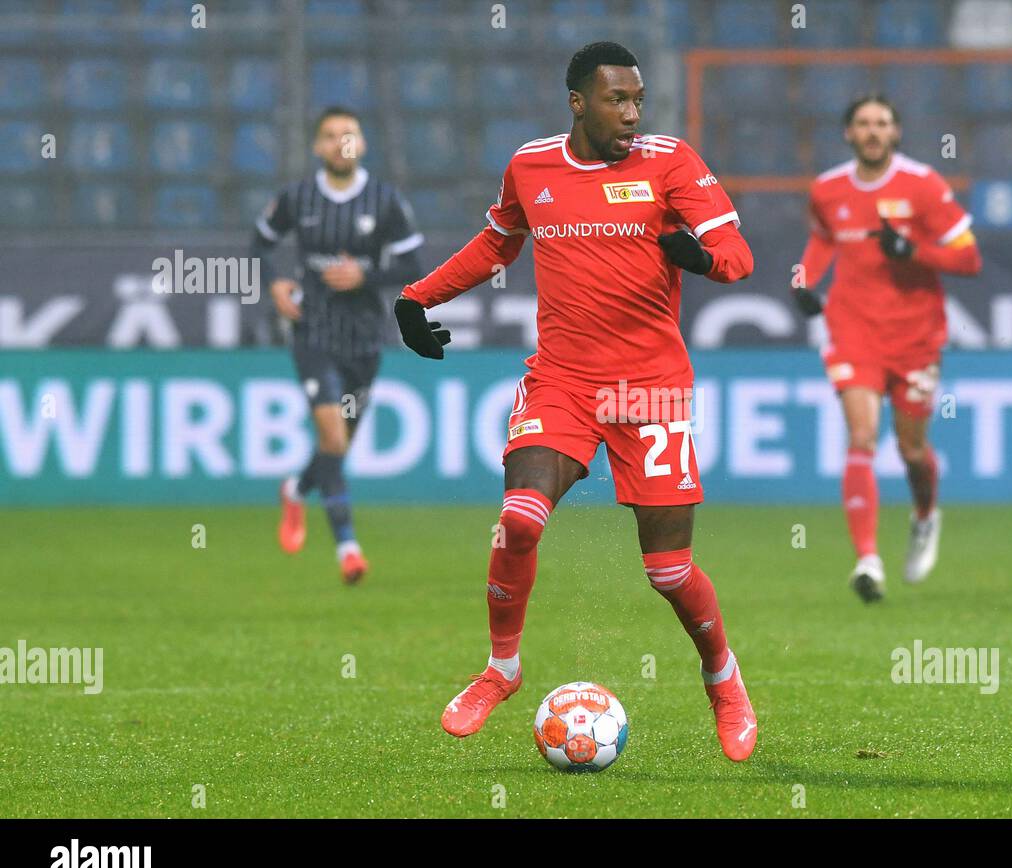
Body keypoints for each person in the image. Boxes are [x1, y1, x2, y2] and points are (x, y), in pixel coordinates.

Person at [393, 42, 759, 760]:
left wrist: (703, 258)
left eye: (637, 101)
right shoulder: (532, 166)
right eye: (617, 100)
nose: (631, 114)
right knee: (518, 520)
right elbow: (496, 245)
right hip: (563, 380)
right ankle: (502, 669)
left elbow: (739, 255)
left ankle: (723, 677)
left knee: (669, 572)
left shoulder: (670, 162)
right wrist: (416, 298)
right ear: (578, 103)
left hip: (651, 388)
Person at [792, 94, 982, 604]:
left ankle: (924, 517)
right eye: (862, 123)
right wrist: (804, 281)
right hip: (853, 329)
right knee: (860, 436)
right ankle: (868, 560)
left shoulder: (923, 184)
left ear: (896, 133)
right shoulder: (827, 189)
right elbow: (820, 242)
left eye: (881, 123)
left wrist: (914, 252)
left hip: (915, 335)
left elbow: (970, 259)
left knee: (912, 450)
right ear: (848, 134)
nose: (872, 131)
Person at [252, 107, 425, 584]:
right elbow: (260, 243)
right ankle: (348, 549)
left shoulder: (385, 201)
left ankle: (295, 487)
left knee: (338, 446)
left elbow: (414, 265)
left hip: (365, 337)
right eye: (329, 136)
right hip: (313, 332)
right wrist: (276, 284)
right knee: (331, 438)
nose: (339, 143)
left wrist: (366, 274)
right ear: (317, 147)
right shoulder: (297, 198)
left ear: (362, 144)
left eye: (348, 134)